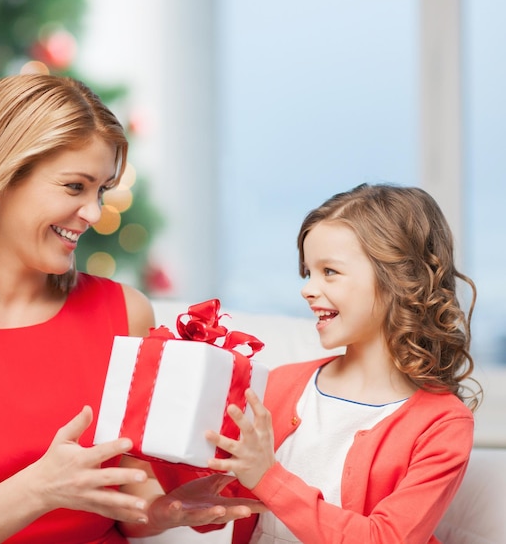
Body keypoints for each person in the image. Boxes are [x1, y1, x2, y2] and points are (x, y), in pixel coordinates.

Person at [0, 74, 257, 543]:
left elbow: (123, 504)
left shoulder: (125, 313)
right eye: (75, 187)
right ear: (0, 178)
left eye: (101, 191)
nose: (94, 213)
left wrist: (161, 510)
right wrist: (38, 490)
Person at [201, 183, 482, 544]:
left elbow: (385, 538)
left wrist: (267, 477)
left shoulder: (443, 425)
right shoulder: (281, 384)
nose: (307, 289)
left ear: (398, 278)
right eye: (309, 273)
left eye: (329, 271)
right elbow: (226, 507)